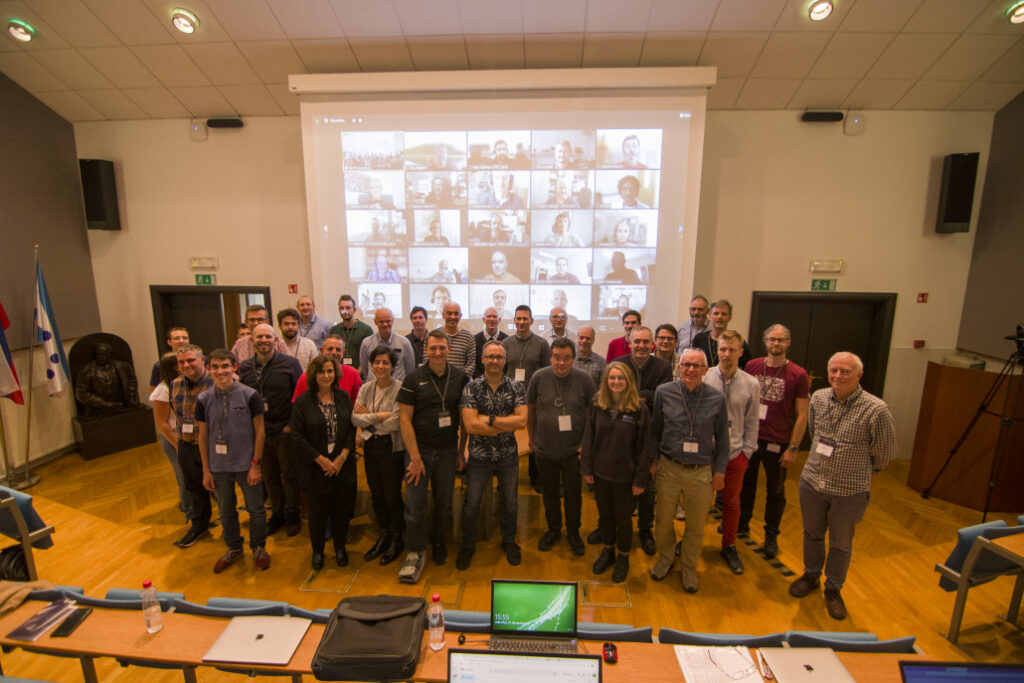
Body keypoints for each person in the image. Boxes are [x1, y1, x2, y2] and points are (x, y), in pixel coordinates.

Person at [789, 352, 896, 621]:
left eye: (845, 371)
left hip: (849, 490)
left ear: (859, 375)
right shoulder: (819, 397)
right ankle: (811, 575)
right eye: (834, 370)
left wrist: (859, 471)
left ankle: (834, 589)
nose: (838, 376)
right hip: (812, 481)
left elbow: (883, 454)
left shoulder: (876, 409)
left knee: (840, 543)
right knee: (812, 534)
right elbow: (814, 433)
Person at [649, 350, 729, 593]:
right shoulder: (663, 392)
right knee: (663, 520)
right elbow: (655, 431)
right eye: (686, 365)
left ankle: (689, 567)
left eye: (696, 365)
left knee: (695, 525)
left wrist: (720, 472)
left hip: (700, 471)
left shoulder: (717, 398)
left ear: (705, 370)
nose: (691, 370)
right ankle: (665, 558)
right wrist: (653, 462)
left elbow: (723, 440)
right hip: (669, 466)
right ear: (679, 367)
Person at [397, 330, 469, 583]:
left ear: (449, 349)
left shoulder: (460, 377)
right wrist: (415, 458)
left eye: (442, 348)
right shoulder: (413, 378)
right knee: (415, 505)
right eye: (433, 348)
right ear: (425, 350)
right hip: (419, 451)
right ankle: (415, 551)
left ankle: (438, 541)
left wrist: (461, 451)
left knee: (444, 502)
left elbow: (464, 419)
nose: (437, 352)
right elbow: (404, 419)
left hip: (448, 450)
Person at [196, 349, 270, 573]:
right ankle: (234, 547)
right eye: (215, 367)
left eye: (225, 366)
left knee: (256, 509)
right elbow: (202, 435)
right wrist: (206, 470)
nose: (220, 371)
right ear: (208, 369)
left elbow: (260, 431)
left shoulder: (250, 395)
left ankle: (258, 548)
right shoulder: (203, 399)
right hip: (218, 467)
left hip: (247, 464)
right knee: (226, 510)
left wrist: (255, 463)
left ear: (234, 367)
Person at [740, 324, 810, 559]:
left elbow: (802, 414)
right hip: (750, 437)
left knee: (776, 491)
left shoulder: (798, 374)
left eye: (780, 340)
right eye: (772, 339)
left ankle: (771, 535)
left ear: (788, 343)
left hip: (778, 441)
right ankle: (742, 523)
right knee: (746, 484)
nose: (776, 343)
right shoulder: (752, 366)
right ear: (765, 341)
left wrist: (793, 448)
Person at [456, 341, 528, 570]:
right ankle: (468, 546)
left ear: (505, 360)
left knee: (510, 503)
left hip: (508, 454)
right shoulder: (471, 388)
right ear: (483, 360)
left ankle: (508, 542)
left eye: (499, 357)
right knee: (471, 503)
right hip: (479, 455)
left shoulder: (517, 387)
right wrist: (506, 424)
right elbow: (470, 425)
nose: (495, 361)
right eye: (490, 357)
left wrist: (489, 420)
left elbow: (522, 421)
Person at [581, 362, 649, 583]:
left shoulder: (639, 408)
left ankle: (623, 556)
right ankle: (608, 550)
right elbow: (589, 437)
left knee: (624, 520)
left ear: (628, 381)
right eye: (612, 378)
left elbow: (644, 447)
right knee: (605, 516)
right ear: (606, 381)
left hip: (626, 477)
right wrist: (587, 468)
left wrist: (640, 479)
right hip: (601, 474)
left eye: (621, 378)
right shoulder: (597, 404)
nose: (616, 381)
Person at [289, 354, 357, 570]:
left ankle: (340, 548)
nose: (326, 376)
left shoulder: (343, 397)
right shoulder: (303, 402)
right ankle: (317, 550)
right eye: (321, 372)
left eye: (330, 371)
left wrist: (341, 457)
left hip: (342, 465)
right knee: (318, 512)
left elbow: (351, 429)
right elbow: (297, 436)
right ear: (313, 375)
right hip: (315, 466)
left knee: (341, 509)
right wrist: (322, 461)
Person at [528, 338, 595, 557]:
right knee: (549, 493)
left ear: (574, 359)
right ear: (550, 358)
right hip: (544, 449)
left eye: (567, 358)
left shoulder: (584, 379)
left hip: (573, 451)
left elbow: (592, 415)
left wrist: (586, 444)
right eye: (557, 357)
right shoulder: (538, 377)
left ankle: (573, 532)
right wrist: (531, 438)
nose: (561, 363)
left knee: (574, 495)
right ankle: (554, 530)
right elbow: (531, 409)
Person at [609, 326, 672, 556]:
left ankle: (645, 530)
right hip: (620, 437)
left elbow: (662, 398)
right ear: (630, 343)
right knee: (619, 487)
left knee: (647, 488)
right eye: (637, 342)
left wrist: (632, 394)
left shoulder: (663, 367)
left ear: (652, 344)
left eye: (646, 342)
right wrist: (646, 394)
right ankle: (614, 527)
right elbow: (612, 396)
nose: (642, 346)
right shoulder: (618, 364)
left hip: (650, 436)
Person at [702, 330, 760, 575]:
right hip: (705, 453)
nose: (726, 354)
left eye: (731, 350)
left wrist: (747, 452)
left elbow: (753, 420)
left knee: (731, 503)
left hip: (735, 454)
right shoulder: (704, 377)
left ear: (740, 352)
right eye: (722, 349)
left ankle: (729, 545)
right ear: (717, 350)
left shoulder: (751, 383)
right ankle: (691, 541)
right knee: (699, 503)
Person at [238, 323, 303, 536]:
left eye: (268, 336)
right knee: (270, 476)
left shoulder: (290, 364)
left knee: (289, 475)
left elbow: (300, 397)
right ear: (252, 341)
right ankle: (277, 514)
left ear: (275, 340)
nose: (264, 340)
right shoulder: (245, 367)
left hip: (284, 429)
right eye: (259, 337)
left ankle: (293, 513)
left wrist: (290, 425)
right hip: (259, 432)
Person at [352, 346, 406, 566]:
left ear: (393, 366)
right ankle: (384, 534)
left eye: (385, 362)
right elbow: (355, 418)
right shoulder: (366, 388)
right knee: (377, 494)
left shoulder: (400, 388)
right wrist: (379, 417)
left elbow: (395, 423)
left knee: (392, 495)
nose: (381, 366)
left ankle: (397, 538)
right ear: (371, 365)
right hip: (371, 447)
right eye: (377, 362)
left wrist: (370, 417)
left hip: (391, 448)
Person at [170, 344, 214, 548]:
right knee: (194, 487)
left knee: (221, 489)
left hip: (213, 446)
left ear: (202, 360)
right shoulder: (175, 384)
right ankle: (200, 525)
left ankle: (231, 528)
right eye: (181, 362)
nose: (186, 365)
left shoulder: (216, 382)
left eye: (190, 360)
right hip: (187, 444)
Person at [502, 305, 551, 491]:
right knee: (508, 438)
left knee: (533, 438)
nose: (521, 322)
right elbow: (501, 372)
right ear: (514, 320)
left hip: (533, 400)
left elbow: (547, 372)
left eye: (525, 319)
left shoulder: (542, 344)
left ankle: (535, 477)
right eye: (518, 318)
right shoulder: (505, 343)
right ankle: (507, 479)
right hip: (509, 400)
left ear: (531, 321)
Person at [150, 352, 193, 528]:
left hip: (190, 436)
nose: (187, 365)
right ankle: (190, 513)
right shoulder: (162, 390)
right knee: (184, 478)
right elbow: (162, 423)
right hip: (174, 439)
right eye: (182, 363)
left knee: (194, 475)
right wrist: (178, 445)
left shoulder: (185, 383)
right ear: (174, 367)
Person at [292, 334, 362, 407]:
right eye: (330, 349)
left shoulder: (353, 374)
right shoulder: (306, 377)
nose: (334, 352)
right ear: (321, 351)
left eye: (338, 350)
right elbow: (297, 406)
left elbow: (356, 405)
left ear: (343, 353)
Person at [75, 341, 139, 416]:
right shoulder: (87, 370)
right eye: (99, 355)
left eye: (105, 355)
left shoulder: (123, 367)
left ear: (110, 354)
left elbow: (132, 382)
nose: (102, 357)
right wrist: (103, 404)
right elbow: (81, 393)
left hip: (122, 409)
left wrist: (131, 398)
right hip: (98, 412)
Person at [691, 299, 752, 369]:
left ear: (730, 317)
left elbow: (748, 367)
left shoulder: (738, 342)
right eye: (716, 313)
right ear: (710, 316)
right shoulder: (699, 339)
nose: (719, 317)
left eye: (724, 314)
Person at [358, 308, 415, 381]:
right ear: (375, 322)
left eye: (388, 321)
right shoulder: (366, 343)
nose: (385, 324)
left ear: (393, 321)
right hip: (374, 387)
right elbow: (365, 369)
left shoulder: (404, 343)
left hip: (398, 387)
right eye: (381, 322)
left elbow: (410, 369)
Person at [329, 294, 374, 371]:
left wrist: (356, 374)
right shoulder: (334, 330)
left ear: (354, 310)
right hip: (339, 374)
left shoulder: (366, 330)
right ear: (339, 310)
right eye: (342, 308)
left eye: (348, 308)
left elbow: (370, 356)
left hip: (360, 375)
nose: (345, 311)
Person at [149, 326, 190, 391]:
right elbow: (153, 391)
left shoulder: (199, 360)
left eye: (184, 338)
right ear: (169, 342)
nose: (181, 341)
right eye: (177, 338)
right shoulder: (159, 365)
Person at [442, 302, 476, 377]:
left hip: (461, 382)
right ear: (443, 315)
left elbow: (470, 366)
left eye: (456, 313)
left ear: (460, 316)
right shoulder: (433, 336)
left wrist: (459, 381)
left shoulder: (468, 337)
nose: (453, 317)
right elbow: (427, 361)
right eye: (449, 313)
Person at [474, 307, 507, 378]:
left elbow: (507, 365)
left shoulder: (506, 340)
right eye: (488, 316)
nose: (491, 319)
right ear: (483, 319)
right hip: (479, 381)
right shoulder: (474, 340)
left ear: (499, 319)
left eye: (495, 316)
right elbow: (474, 365)